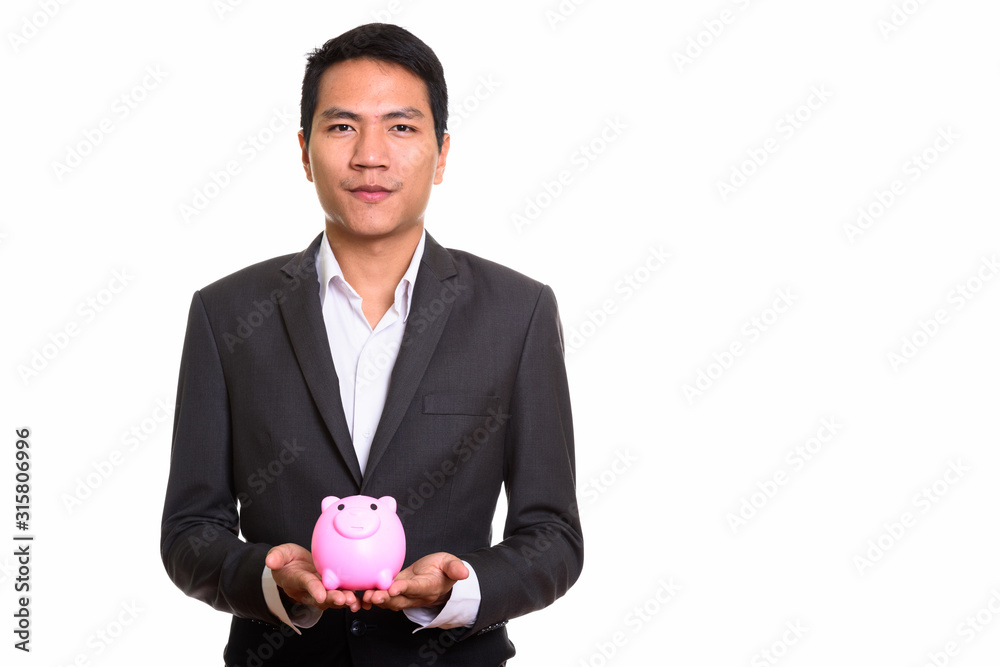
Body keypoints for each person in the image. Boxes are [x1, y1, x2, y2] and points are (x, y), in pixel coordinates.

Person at [160, 22, 583, 666]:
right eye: (342, 126)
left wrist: (461, 589)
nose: (370, 156)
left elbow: (553, 536)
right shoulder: (227, 314)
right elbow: (190, 530)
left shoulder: (516, 313)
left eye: (401, 127)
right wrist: (270, 581)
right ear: (305, 152)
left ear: (442, 153)